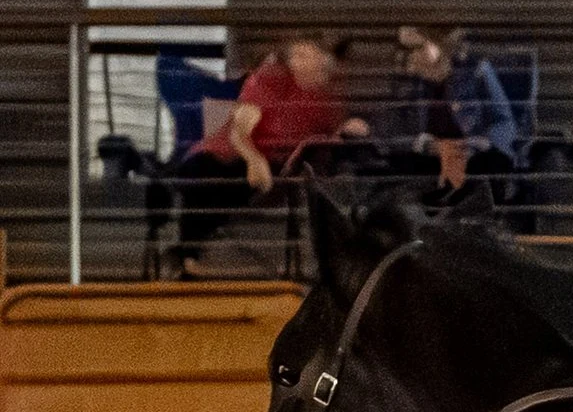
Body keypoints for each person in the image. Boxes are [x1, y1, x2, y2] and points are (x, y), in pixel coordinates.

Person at [166, 35, 367, 274]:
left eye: (307, 55)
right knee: (203, 173)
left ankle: (188, 256)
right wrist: (254, 158)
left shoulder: (327, 98)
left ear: (324, 60)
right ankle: (188, 257)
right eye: (296, 56)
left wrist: (347, 128)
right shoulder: (272, 78)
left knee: (222, 185)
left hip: (279, 168)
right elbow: (240, 129)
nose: (300, 62)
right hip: (236, 151)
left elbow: (326, 136)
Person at [377, 25, 519, 202]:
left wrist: (478, 144)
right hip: (433, 159)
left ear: (437, 43)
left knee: (493, 164)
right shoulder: (410, 84)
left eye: (418, 47)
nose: (411, 59)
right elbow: (391, 129)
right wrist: (428, 145)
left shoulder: (476, 71)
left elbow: (504, 121)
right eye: (405, 52)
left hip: (473, 156)